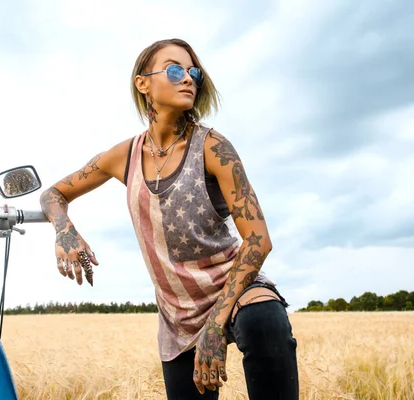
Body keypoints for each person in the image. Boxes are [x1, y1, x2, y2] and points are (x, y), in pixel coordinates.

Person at [40, 38, 299, 399]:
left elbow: (258, 241)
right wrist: (65, 230)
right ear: (143, 83)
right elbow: (52, 194)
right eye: (175, 69)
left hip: (233, 287)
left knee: (265, 323)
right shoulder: (123, 156)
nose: (188, 78)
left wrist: (215, 325)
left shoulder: (213, 147)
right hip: (177, 313)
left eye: (194, 72)